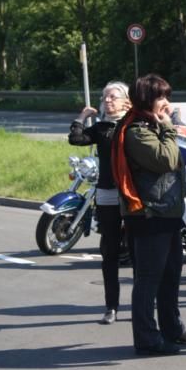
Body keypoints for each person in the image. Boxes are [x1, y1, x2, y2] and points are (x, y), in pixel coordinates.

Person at [112, 73, 186, 356]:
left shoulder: (151, 125)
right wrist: (169, 128)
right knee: (148, 279)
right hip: (148, 214)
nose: (166, 102)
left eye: (167, 96)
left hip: (166, 212)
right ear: (147, 100)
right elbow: (167, 159)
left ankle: (172, 329)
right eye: (161, 97)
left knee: (171, 274)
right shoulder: (137, 131)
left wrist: (166, 126)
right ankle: (147, 338)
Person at [68, 81, 131, 325]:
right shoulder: (101, 127)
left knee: (138, 250)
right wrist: (82, 116)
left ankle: (142, 307)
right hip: (106, 193)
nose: (107, 100)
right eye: (105, 96)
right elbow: (76, 139)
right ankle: (111, 307)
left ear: (126, 101)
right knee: (110, 252)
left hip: (132, 194)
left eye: (113, 97)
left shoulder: (133, 123)